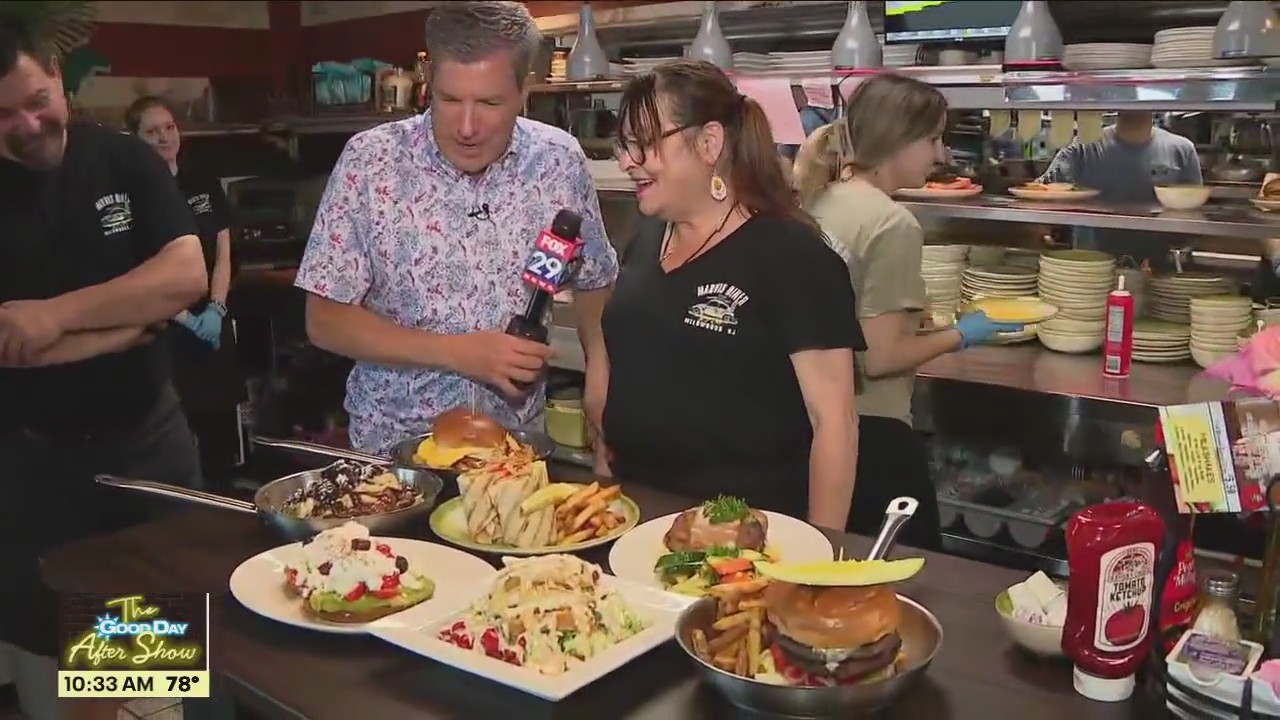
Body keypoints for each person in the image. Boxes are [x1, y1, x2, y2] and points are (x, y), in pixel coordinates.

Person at [294, 1, 618, 464]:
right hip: (393, 457)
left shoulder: (558, 161)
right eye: (449, 100)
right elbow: (323, 319)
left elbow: (595, 284)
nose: (467, 127)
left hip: (514, 455)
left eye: (488, 103)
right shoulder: (370, 163)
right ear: (429, 83)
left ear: (525, 90)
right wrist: (459, 353)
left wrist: (600, 386)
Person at [0, 19, 207, 720]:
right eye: (2, 114)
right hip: (38, 469)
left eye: (36, 99)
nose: (28, 124)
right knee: (65, 675)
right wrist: (123, 325)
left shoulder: (122, 161)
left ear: (57, 73)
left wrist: (53, 319)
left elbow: (183, 278)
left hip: (146, 448)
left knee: (151, 676)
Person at [599, 59, 863, 528]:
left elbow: (835, 423)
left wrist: (823, 554)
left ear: (709, 144)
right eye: (624, 145)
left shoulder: (792, 256)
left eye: (643, 144)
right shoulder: (647, 237)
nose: (627, 161)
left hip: (744, 531)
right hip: (634, 512)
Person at [796, 74, 1022, 549]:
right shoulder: (892, 222)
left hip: (812, 425)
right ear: (896, 138)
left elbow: (841, 311)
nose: (940, 154)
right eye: (933, 138)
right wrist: (965, 333)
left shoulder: (821, 197)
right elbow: (879, 358)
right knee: (903, 574)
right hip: (873, 432)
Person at [127, 95, 245, 488]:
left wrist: (215, 307)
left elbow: (223, 250)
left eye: (169, 127)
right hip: (171, 328)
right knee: (181, 427)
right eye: (152, 132)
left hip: (214, 318)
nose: (164, 137)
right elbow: (139, 269)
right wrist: (187, 319)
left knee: (220, 425)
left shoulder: (201, 181)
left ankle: (225, 500)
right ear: (135, 139)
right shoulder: (135, 195)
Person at [1037, 111, 1202, 268]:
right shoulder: (1084, 146)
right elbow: (1041, 191)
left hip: (1157, 269)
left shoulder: (1181, 149)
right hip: (1090, 268)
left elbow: (1193, 215)